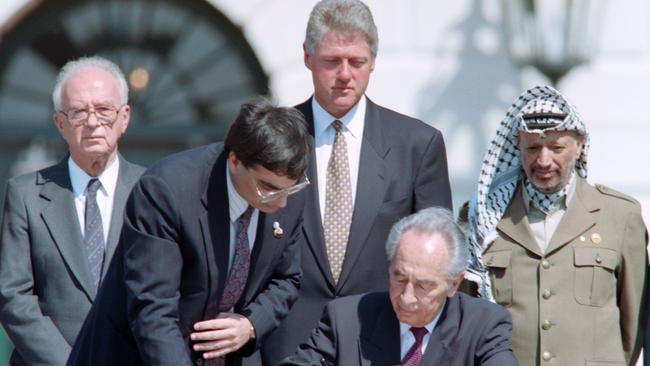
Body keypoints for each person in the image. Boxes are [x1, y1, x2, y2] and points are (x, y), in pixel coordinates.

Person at [262, 1, 452, 363]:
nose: (345, 74)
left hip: (379, 344)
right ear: (307, 56)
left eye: (357, 62)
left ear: (374, 61)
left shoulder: (416, 145)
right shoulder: (271, 138)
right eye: (332, 61)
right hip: (285, 345)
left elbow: (438, 260)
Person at [66, 98, 311, 366]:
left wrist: (251, 325)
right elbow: (154, 311)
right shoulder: (167, 190)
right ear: (234, 161)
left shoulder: (287, 193)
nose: (281, 202)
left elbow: (286, 279)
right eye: (268, 188)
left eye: (290, 189)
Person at [463, 85, 647, 365]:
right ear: (518, 148)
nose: (543, 160)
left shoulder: (620, 216)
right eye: (533, 148)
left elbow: (634, 327)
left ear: (579, 145)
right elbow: (466, 315)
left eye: (556, 147)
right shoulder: (484, 221)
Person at [0, 56, 144, 365]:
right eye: (79, 112)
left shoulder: (153, 191)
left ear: (124, 117)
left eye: (104, 110)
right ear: (60, 123)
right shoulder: (26, 194)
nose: (93, 122)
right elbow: (13, 296)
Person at [280, 207, 517, 366]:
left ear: (454, 283)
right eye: (400, 278)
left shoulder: (483, 326)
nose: (406, 297)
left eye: (424, 286)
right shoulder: (345, 319)